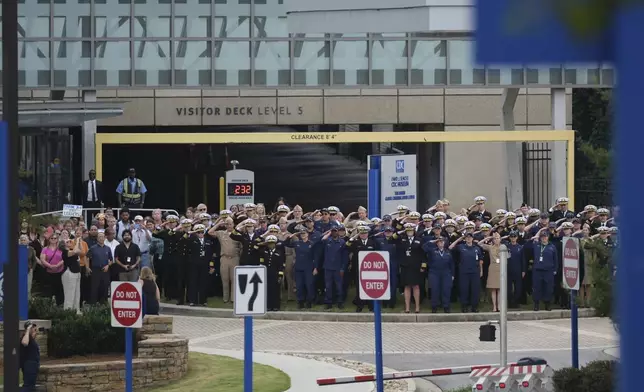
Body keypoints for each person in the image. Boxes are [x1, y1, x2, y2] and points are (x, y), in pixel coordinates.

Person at [449, 232, 483, 313]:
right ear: (465, 239)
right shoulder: (461, 247)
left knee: (475, 290)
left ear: (472, 238)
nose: (468, 239)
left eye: (470, 237)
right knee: (464, 290)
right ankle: (464, 306)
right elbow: (450, 247)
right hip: (464, 272)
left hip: (475, 272)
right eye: (467, 237)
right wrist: (459, 239)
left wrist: (481, 271)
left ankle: (474, 307)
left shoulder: (476, 248)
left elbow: (480, 261)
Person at [346, 225, 377, 312]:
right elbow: (347, 245)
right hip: (358, 269)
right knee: (360, 288)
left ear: (368, 233)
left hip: (370, 269)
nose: (363, 235)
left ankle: (371, 306)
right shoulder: (355, 242)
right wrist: (355, 236)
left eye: (365, 233)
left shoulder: (372, 242)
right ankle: (360, 305)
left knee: (370, 287)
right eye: (361, 233)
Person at [397, 223, 424, 313]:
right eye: (407, 230)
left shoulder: (419, 240)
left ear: (414, 231)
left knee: (416, 286)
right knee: (407, 286)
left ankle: (417, 307)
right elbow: (393, 237)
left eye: (411, 230)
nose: (409, 232)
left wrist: (423, 266)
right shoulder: (402, 240)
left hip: (416, 267)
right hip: (405, 266)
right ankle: (407, 307)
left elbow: (423, 254)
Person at [424, 236, 454, 313]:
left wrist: (452, 274)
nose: (441, 243)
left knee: (446, 290)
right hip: (434, 273)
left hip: (446, 273)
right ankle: (434, 306)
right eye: (439, 242)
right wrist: (433, 241)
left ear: (444, 243)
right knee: (435, 290)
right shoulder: (432, 251)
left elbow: (452, 264)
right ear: (436, 243)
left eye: (442, 241)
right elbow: (424, 247)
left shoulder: (448, 251)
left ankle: (446, 306)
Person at [187, 224, 216, 306]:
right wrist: (192, 232)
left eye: (202, 232)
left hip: (205, 265)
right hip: (194, 264)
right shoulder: (192, 240)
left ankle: (203, 300)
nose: (200, 234)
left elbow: (211, 256)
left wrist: (211, 266)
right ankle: (193, 300)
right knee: (193, 282)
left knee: (204, 282)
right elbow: (185, 238)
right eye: (198, 232)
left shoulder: (208, 242)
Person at [531, 229, 558, 311]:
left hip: (548, 270)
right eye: (542, 237)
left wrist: (555, 269)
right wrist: (540, 231)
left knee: (548, 288)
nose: (544, 238)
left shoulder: (552, 247)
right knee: (537, 288)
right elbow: (532, 239)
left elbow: (555, 259)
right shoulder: (536, 245)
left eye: (545, 236)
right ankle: (536, 304)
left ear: (548, 237)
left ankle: (547, 304)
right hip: (537, 270)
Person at [257, 235, 286, 311]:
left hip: (275, 274)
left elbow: (281, 265)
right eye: (269, 243)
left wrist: (280, 275)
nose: (271, 245)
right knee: (268, 290)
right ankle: (268, 306)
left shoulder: (279, 253)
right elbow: (262, 263)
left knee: (275, 291)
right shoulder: (264, 252)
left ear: (275, 244)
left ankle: (276, 306)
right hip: (267, 274)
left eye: (272, 243)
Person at [478, 232, 503, 312]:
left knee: (499, 289)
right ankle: (494, 307)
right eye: (495, 238)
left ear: (500, 239)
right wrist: (487, 238)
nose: (496, 240)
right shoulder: (490, 247)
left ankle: (499, 306)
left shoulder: (503, 247)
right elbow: (479, 243)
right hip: (492, 268)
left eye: (498, 238)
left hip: (501, 268)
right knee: (493, 289)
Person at [87, 232, 113, 304]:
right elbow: (87, 258)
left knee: (105, 287)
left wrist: (108, 265)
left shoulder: (108, 248)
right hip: (95, 270)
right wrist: (87, 267)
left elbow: (111, 260)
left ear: (105, 238)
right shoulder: (93, 248)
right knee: (94, 288)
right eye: (99, 237)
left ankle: (103, 304)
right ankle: (93, 305)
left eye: (102, 237)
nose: (101, 238)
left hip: (105, 270)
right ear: (97, 238)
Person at [40, 233, 65, 306]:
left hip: (59, 272)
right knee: (48, 290)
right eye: (52, 238)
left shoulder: (61, 248)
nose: (53, 240)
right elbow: (42, 259)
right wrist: (50, 266)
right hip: (48, 272)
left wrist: (58, 265)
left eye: (55, 238)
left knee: (59, 290)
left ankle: (59, 306)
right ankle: (47, 306)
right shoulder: (45, 249)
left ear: (57, 239)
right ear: (49, 239)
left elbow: (64, 258)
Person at [61, 238, 82, 311]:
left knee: (77, 294)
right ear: (64, 244)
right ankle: (68, 311)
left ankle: (76, 310)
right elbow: (75, 251)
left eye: (70, 241)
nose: (70, 242)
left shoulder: (72, 250)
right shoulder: (64, 251)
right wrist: (77, 241)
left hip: (76, 273)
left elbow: (80, 251)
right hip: (69, 273)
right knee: (69, 294)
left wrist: (79, 243)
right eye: (68, 241)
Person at [20, 321, 40, 392]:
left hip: (32, 365)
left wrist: (34, 333)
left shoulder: (30, 338)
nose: (35, 330)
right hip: (29, 365)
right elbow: (24, 343)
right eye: (33, 328)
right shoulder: (25, 337)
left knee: (31, 387)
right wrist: (28, 330)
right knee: (28, 387)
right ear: (29, 328)